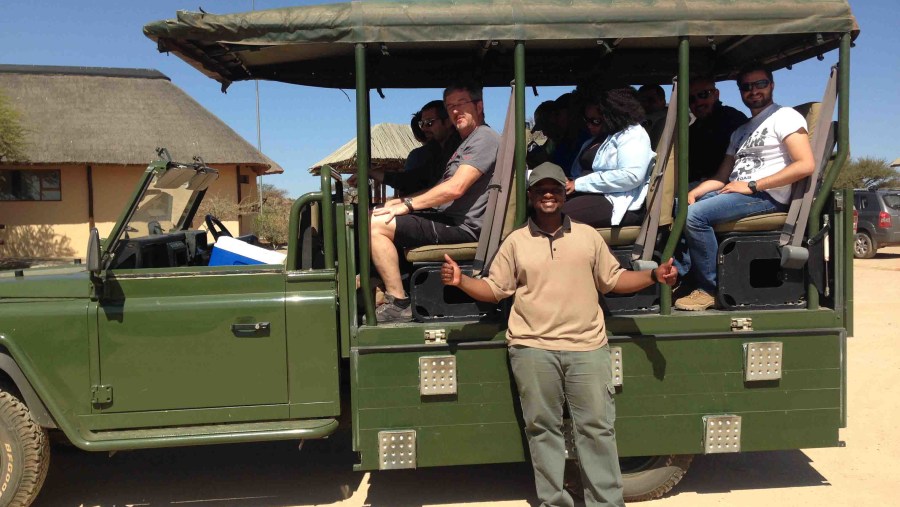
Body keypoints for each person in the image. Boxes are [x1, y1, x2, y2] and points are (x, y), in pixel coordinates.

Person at [441, 162, 677, 507]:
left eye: (554, 189)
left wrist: (653, 276)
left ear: (565, 194)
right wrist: (462, 282)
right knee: (543, 430)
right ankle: (555, 501)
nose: (548, 195)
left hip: (588, 347)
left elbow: (613, 281)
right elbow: (496, 290)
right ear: (531, 196)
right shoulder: (515, 242)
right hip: (532, 349)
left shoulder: (587, 236)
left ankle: (606, 502)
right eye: (540, 190)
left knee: (596, 430)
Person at [674, 65, 815, 311]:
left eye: (760, 84)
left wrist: (753, 184)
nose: (754, 91)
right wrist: (693, 193)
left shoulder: (785, 117)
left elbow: (805, 165)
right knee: (681, 204)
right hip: (738, 190)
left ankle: (710, 289)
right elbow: (721, 177)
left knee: (695, 216)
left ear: (771, 85)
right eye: (746, 87)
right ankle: (688, 277)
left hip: (766, 195)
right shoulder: (741, 131)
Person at [370, 82, 500, 322]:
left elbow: (455, 188)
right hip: (449, 219)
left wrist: (406, 205)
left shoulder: (485, 138)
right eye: (451, 107)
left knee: (376, 224)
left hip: (465, 228)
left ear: (479, 106)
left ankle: (398, 301)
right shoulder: (465, 142)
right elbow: (440, 187)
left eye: (462, 104)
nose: (456, 111)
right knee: (379, 212)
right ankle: (377, 283)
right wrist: (401, 200)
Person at [563, 87, 654, 228]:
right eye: (586, 120)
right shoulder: (596, 139)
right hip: (590, 193)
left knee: (554, 216)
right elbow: (579, 173)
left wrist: (579, 184)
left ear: (612, 115)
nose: (589, 125)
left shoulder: (631, 134)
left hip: (618, 200)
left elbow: (631, 176)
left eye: (595, 121)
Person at [687, 76, 748, 185]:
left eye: (703, 94)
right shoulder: (692, 130)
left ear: (716, 94)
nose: (698, 102)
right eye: (691, 99)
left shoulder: (733, 119)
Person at [637, 84, 667, 148]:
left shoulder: (671, 120)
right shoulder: (631, 121)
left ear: (663, 102)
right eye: (642, 100)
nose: (646, 104)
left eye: (651, 100)